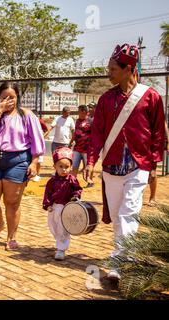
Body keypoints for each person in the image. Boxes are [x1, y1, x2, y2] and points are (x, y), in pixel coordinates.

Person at [85, 43, 166, 280]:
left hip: (138, 165)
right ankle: (126, 256)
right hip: (111, 166)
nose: (108, 73)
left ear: (128, 69)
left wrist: (153, 163)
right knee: (120, 214)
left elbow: (157, 133)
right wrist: (91, 161)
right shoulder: (105, 99)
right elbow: (97, 133)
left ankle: (120, 260)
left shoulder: (150, 96)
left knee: (128, 212)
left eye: (112, 69)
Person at [0, 81, 45, 251]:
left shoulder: (27, 115)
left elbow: (37, 140)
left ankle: (11, 237)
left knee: (12, 202)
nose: (8, 100)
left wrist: (35, 162)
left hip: (18, 160)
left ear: (17, 98)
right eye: (4, 97)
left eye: (12, 97)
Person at [43, 147, 82, 260]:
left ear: (71, 167)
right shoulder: (52, 181)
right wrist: (48, 204)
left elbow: (77, 189)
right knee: (53, 226)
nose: (64, 169)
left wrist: (75, 197)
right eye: (61, 166)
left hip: (65, 207)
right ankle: (59, 240)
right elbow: (48, 193)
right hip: (54, 207)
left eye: (67, 167)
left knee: (62, 227)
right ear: (54, 166)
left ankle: (61, 249)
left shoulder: (72, 180)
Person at [69, 105, 94, 187]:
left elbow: (95, 135)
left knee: (88, 166)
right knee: (74, 165)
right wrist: (71, 142)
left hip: (87, 149)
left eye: (81, 112)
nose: (79, 113)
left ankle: (90, 181)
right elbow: (75, 133)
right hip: (77, 148)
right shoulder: (77, 121)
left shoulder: (91, 121)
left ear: (85, 112)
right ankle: (73, 181)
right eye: (78, 112)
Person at [147, 122, 169, 206]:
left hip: (152, 143)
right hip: (138, 142)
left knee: (152, 171)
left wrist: (168, 141)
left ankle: (152, 198)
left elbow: (164, 124)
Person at [32, 114, 49, 182]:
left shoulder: (40, 122)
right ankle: (32, 174)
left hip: (39, 143)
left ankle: (37, 175)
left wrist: (42, 138)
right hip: (31, 143)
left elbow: (47, 130)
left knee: (39, 160)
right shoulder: (28, 121)